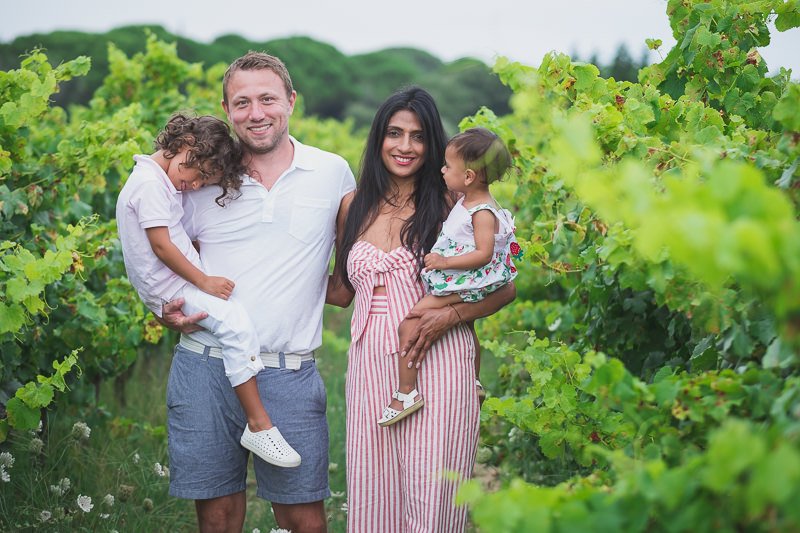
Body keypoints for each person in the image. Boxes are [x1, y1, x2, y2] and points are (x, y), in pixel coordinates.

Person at [158, 53, 356, 533]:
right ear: (227, 110)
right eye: (241, 102)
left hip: (287, 370)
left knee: (303, 517)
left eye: (267, 98)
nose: (256, 112)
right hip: (205, 365)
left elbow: (347, 278)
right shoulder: (199, 180)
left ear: (290, 101)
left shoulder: (332, 173)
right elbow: (164, 254)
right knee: (219, 516)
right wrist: (167, 309)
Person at [327, 87, 515, 532]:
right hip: (370, 364)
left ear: (433, 144)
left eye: (418, 136)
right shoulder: (353, 207)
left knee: (434, 500)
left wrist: (446, 318)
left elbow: (504, 289)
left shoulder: (454, 204)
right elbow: (338, 292)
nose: (405, 146)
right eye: (395, 133)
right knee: (375, 496)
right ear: (378, 139)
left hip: (439, 359)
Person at [116, 113, 302, 470]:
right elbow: (162, 247)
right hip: (176, 286)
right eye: (195, 171)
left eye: (204, 181)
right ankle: (258, 424)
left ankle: (257, 421)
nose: (194, 183)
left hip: (174, 284)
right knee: (235, 324)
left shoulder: (159, 180)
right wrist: (204, 281)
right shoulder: (150, 186)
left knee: (232, 323)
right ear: (181, 145)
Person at [377, 127, 520, 426]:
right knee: (469, 326)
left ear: (468, 177)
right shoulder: (465, 202)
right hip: (469, 281)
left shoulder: (481, 212)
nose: (441, 170)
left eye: (447, 166)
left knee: (410, 322)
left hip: (469, 281)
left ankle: (406, 392)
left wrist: (444, 261)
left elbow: (483, 253)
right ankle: (475, 381)